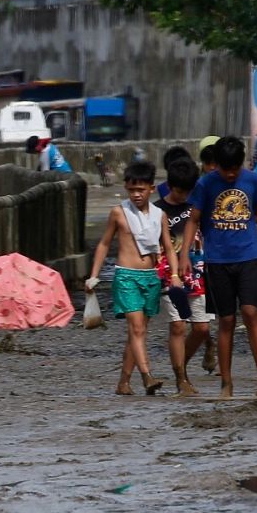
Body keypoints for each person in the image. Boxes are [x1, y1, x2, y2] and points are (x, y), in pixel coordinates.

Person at [180, 136, 257, 399]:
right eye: (224, 169)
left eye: (234, 169)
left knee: (251, 312)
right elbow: (193, 220)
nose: (229, 175)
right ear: (216, 164)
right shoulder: (206, 184)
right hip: (217, 260)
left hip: (247, 256)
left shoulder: (252, 180)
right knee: (226, 320)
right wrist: (184, 255)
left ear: (241, 164)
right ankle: (226, 383)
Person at [86, 160, 179, 396]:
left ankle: (123, 383)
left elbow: (168, 247)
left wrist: (176, 275)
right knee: (137, 329)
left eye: (141, 190)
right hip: (126, 276)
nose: (136, 195)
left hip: (151, 277)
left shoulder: (159, 215)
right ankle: (147, 376)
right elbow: (105, 243)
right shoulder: (119, 212)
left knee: (137, 332)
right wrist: (94, 276)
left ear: (152, 188)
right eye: (131, 190)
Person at [155, 156, 212, 396]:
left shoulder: (198, 205)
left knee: (201, 328)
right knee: (178, 326)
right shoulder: (157, 210)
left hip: (199, 272)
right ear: (170, 187)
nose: (184, 197)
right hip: (169, 273)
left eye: (188, 192)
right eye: (179, 192)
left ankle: (181, 365)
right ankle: (181, 378)